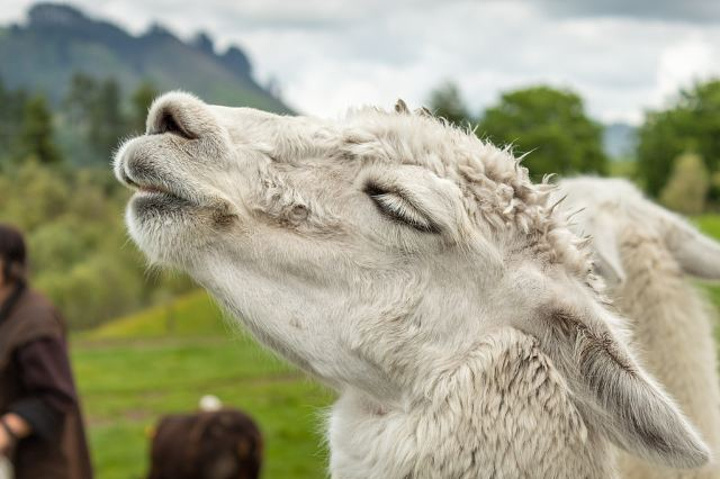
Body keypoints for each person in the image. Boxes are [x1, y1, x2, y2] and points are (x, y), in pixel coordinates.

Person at [0, 224, 93, 479]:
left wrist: (7, 429)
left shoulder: (35, 321)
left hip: (43, 464)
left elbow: (56, 396)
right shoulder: (6, 309)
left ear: (8, 265)